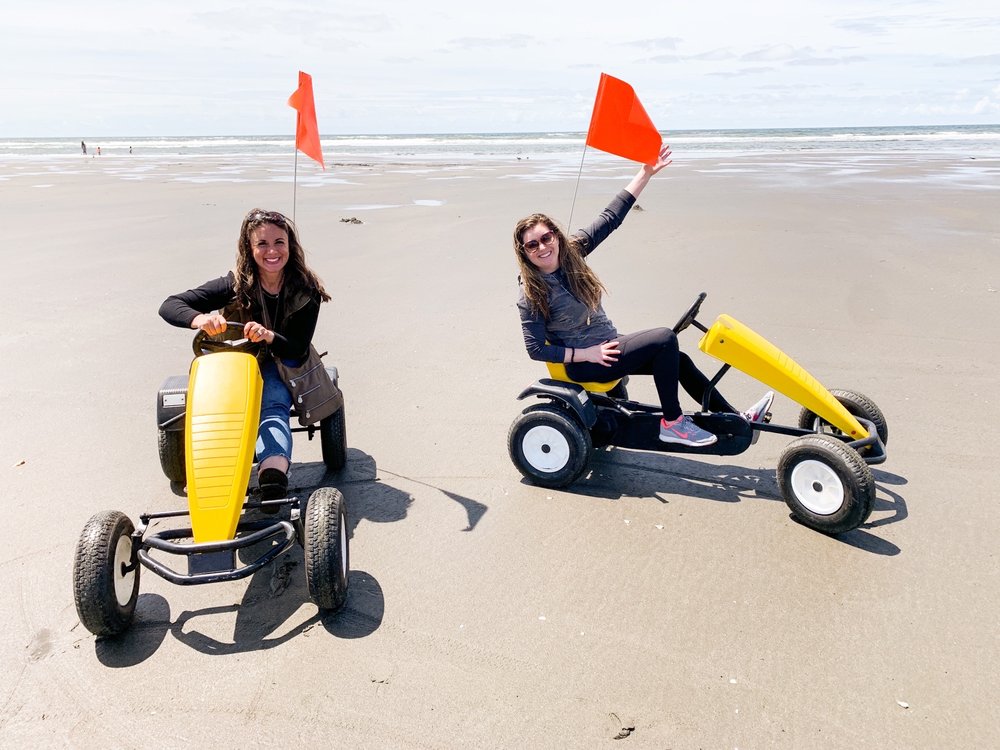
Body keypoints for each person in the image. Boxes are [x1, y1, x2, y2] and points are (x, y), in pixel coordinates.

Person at [514, 145, 773, 447]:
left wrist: (644, 173)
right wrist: (586, 354)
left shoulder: (574, 252)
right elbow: (535, 349)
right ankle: (673, 423)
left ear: (556, 235)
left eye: (546, 238)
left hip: (606, 346)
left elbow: (611, 217)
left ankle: (736, 420)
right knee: (664, 338)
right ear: (525, 253)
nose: (543, 247)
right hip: (587, 360)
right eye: (533, 245)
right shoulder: (531, 293)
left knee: (679, 359)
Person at [159, 209, 330, 503]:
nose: (272, 251)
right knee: (210, 407)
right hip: (233, 363)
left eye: (279, 242)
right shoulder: (234, 284)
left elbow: (298, 347)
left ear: (291, 246)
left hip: (280, 363)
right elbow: (171, 305)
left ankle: (272, 471)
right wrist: (200, 320)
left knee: (272, 402)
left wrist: (269, 336)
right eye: (262, 244)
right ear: (249, 249)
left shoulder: (306, 289)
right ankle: (212, 473)